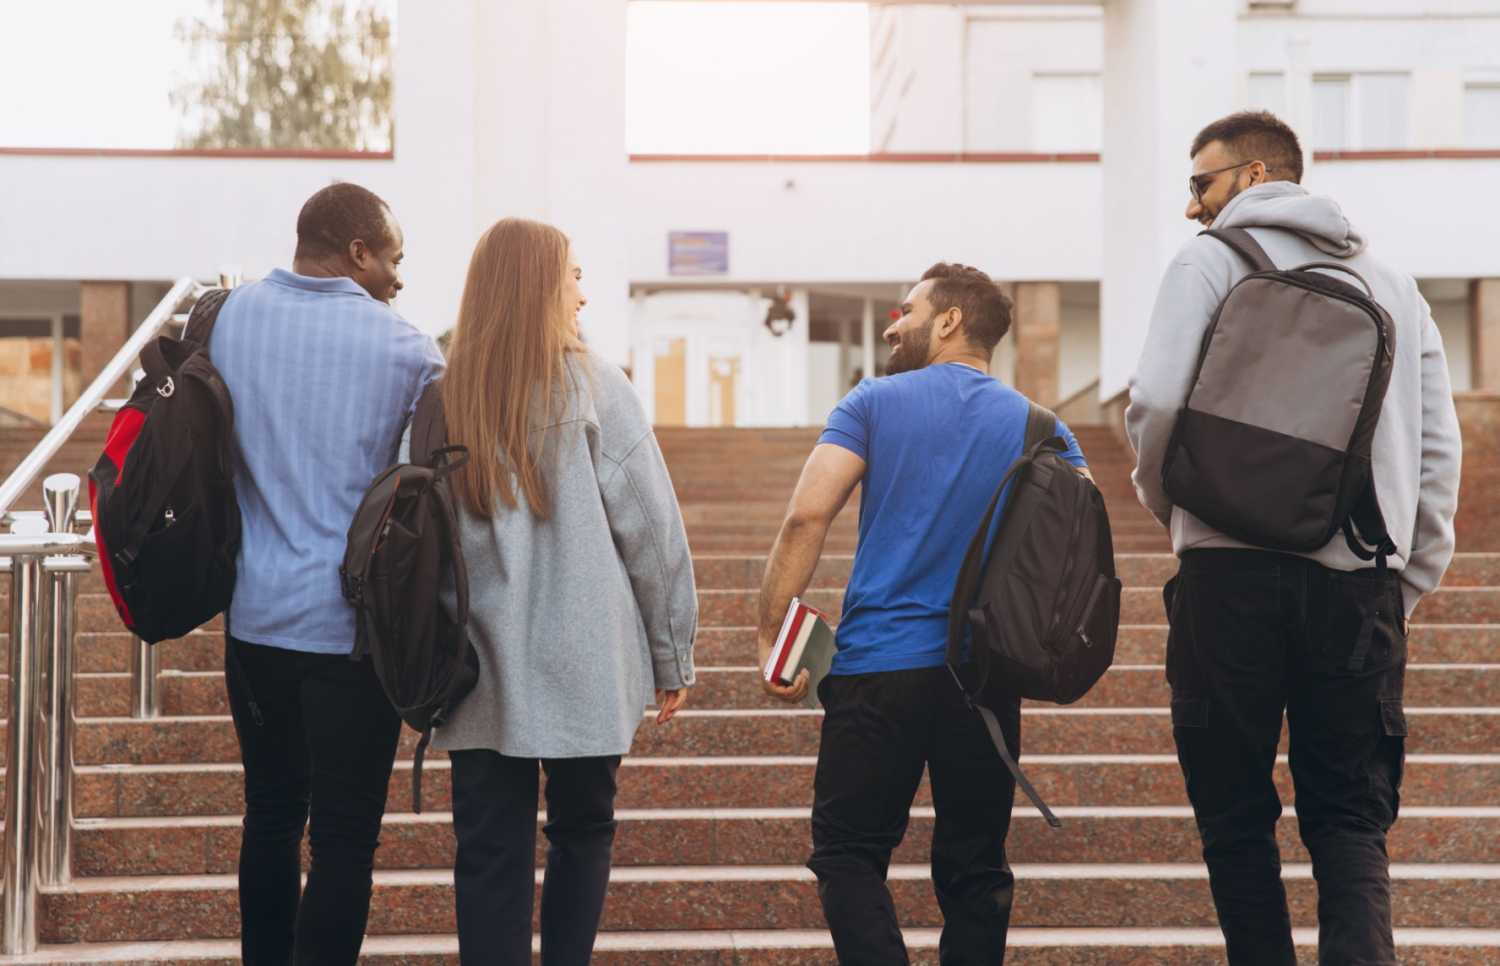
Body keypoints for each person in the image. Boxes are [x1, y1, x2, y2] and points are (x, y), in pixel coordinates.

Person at [1125, 111, 1462, 965]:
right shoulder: (1393, 283)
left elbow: (1158, 401)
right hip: (1356, 581)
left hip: (1228, 580)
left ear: (1255, 174)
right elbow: (1437, 450)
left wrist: (1178, 512)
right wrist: (1406, 580)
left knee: (1235, 814)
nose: (1192, 205)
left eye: (1201, 182)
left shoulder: (1207, 262)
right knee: (1351, 819)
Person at [757, 263, 1090, 964]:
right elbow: (1078, 549)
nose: (893, 323)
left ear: (947, 321)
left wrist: (771, 631)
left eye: (906, 309)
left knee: (848, 851)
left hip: (879, 668)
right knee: (976, 868)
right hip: (985, 678)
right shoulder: (1044, 427)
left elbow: (806, 516)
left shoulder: (873, 402)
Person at [429, 217, 697, 966]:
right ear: (541, 286)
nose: (582, 293)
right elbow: (652, 532)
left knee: (488, 847)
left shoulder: (444, 396)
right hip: (586, 658)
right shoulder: (598, 387)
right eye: (573, 275)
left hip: (478, 664)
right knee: (583, 830)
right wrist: (672, 653)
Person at [210, 181, 445, 965]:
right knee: (345, 838)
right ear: (356, 251)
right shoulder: (407, 349)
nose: (398, 278)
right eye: (393, 258)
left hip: (254, 619)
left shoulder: (225, 318)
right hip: (352, 631)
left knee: (271, 813)